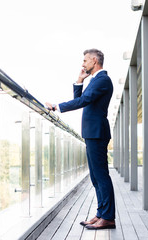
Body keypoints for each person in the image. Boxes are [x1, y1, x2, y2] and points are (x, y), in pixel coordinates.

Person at [45, 48, 115, 230]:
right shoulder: (95, 80)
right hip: (92, 132)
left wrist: (56, 106)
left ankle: (107, 217)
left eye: (85, 60)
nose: (82, 64)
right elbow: (81, 99)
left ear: (94, 60)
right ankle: (101, 213)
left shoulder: (103, 80)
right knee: (95, 176)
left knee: (101, 176)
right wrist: (79, 81)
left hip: (97, 133)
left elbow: (83, 101)